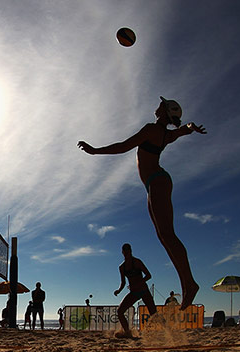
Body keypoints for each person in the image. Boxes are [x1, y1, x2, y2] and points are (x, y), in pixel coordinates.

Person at [78, 97, 206, 310]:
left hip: (157, 181)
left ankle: (190, 284)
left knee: (168, 234)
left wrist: (95, 150)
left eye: (161, 105)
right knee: (163, 236)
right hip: (153, 183)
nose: (157, 106)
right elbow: (184, 129)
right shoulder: (166, 134)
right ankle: (187, 284)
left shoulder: (152, 130)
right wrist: (191, 126)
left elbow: (123, 146)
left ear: (164, 112)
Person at [113, 243, 157, 338]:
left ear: (131, 251)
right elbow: (123, 282)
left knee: (154, 313)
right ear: (122, 252)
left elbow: (148, 275)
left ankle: (167, 331)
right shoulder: (122, 267)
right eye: (125, 252)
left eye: (128, 251)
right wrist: (119, 290)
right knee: (120, 311)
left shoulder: (137, 262)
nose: (126, 254)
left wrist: (139, 283)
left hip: (144, 291)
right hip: (134, 293)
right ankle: (127, 332)